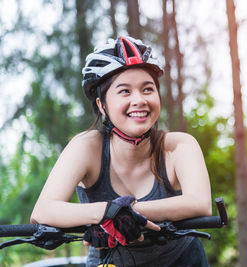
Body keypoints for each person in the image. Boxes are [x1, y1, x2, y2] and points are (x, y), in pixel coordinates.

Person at [30, 36, 212, 267]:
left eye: (148, 89)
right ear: (101, 105)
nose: (139, 100)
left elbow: (199, 203)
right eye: (124, 91)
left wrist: (123, 212)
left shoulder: (178, 145)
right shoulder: (87, 146)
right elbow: (43, 210)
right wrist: (109, 212)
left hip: (182, 261)